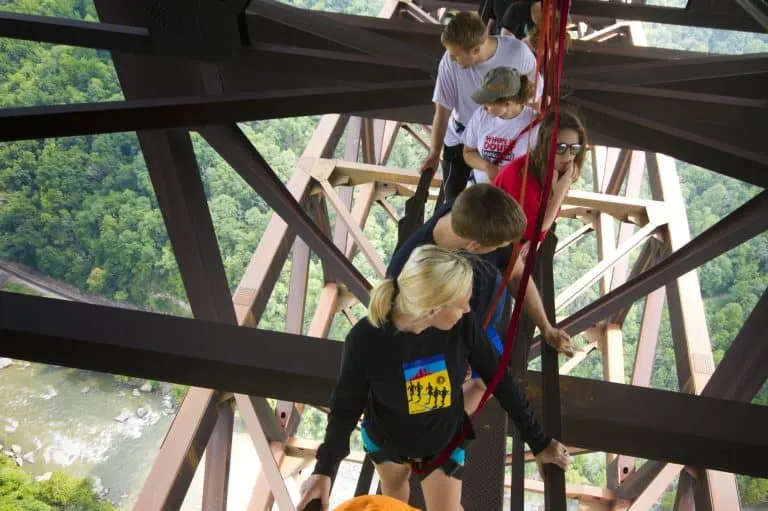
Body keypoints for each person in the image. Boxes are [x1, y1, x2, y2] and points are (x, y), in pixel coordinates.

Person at [297, 245, 571, 511]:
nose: (467, 309)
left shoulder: (462, 325)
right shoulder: (366, 339)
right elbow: (346, 406)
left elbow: (500, 379)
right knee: (393, 497)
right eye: (462, 302)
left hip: (441, 443)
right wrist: (325, 469)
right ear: (432, 309)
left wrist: (539, 442)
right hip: (387, 441)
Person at [386, 184, 574, 415]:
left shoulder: (470, 214)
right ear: (474, 246)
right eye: (502, 245)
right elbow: (406, 334)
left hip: (478, 327)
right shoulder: (406, 276)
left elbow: (516, 275)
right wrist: (456, 357)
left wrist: (546, 328)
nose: (508, 249)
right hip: (431, 343)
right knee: (429, 410)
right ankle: (435, 442)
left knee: (489, 380)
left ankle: (448, 430)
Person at [420, 11, 542, 203]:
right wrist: (434, 153)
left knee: (496, 202)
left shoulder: (517, 53)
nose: (452, 59)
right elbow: (443, 109)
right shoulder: (449, 62)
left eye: (456, 55)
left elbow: (535, 94)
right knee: (455, 201)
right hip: (461, 139)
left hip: (499, 138)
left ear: (476, 49)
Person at [493, 109, 587, 254]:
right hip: (494, 241)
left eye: (574, 149)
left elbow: (545, 218)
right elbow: (532, 230)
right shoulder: (520, 175)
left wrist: (538, 238)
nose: (568, 156)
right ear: (545, 145)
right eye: (560, 147)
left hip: (515, 239)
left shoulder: (552, 171)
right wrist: (559, 194)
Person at [462, 66, 540, 185]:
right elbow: (468, 152)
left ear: (507, 103)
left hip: (511, 194)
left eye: (488, 103)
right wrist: (488, 167)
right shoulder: (481, 114)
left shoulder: (535, 124)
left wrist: (510, 173)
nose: (484, 106)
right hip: (478, 189)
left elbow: (540, 166)